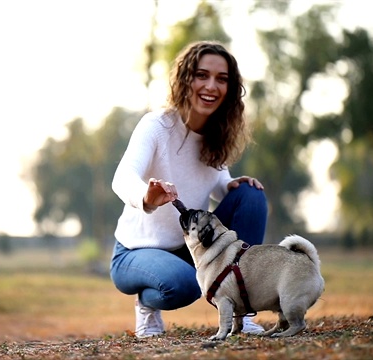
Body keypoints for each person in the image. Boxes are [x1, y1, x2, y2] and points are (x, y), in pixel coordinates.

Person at [109, 40, 268, 338]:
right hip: (135, 253)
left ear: (230, 90)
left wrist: (232, 185)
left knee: (251, 196)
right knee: (184, 284)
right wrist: (146, 195)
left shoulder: (215, 135)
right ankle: (146, 304)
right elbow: (122, 177)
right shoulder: (157, 125)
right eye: (201, 75)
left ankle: (242, 312)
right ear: (185, 79)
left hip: (188, 248)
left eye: (222, 79)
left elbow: (216, 184)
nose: (211, 86)